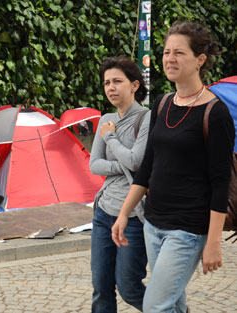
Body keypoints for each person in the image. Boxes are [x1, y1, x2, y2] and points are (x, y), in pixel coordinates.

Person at [111, 21, 235, 313]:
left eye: (179, 53)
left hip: (188, 230)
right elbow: (148, 165)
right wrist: (124, 213)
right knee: (174, 304)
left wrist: (214, 242)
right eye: (167, 52)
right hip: (153, 224)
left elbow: (220, 182)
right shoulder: (162, 103)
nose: (169, 59)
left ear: (199, 60)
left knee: (156, 306)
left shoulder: (215, 113)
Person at [89, 56, 150, 313]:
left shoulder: (146, 118)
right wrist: (121, 166)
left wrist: (111, 138)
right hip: (103, 212)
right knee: (101, 287)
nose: (111, 88)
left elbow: (137, 161)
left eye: (117, 81)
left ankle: (171, 309)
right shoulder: (106, 118)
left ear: (134, 85)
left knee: (128, 286)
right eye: (106, 83)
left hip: (134, 215)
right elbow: (94, 165)